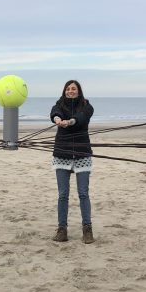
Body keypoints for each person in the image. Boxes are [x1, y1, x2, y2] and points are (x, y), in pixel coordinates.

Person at [50, 80, 95, 243]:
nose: (71, 91)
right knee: (63, 195)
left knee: (83, 193)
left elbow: (81, 118)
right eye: (68, 89)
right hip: (62, 153)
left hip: (82, 154)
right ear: (64, 91)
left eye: (73, 89)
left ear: (79, 91)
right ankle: (62, 230)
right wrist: (57, 119)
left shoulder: (87, 105)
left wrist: (70, 122)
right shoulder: (59, 104)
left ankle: (87, 229)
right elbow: (55, 112)